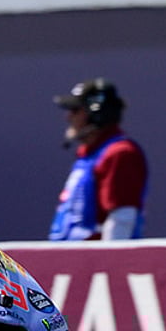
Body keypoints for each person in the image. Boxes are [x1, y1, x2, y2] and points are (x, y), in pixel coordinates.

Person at [49, 78, 148, 240]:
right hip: (72, 261)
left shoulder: (120, 153)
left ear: (97, 115)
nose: (68, 117)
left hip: (95, 264)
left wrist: (111, 263)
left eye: (75, 110)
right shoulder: (89, 155)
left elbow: (121, 220)